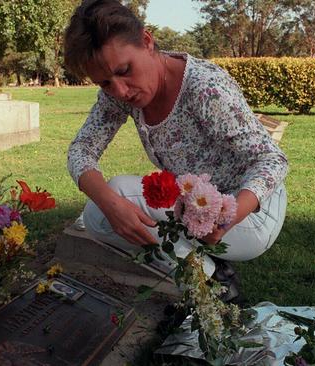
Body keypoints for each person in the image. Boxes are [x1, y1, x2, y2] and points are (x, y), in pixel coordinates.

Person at [64, 0, 288, 299]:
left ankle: (207, 285)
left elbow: (272, 160)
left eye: (125, 70)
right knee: (100, 215)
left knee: (117, 192)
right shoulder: (118, 94)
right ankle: (210, 279)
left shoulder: (204, 88)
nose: (119, 91)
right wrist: (108, 203)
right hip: (192, 209)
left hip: (250, 214)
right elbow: (81, 148)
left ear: (146, 41)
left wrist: (224, 220)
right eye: (104, 83)